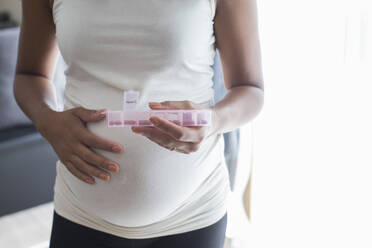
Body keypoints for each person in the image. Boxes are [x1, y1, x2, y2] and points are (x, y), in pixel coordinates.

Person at [13, 0, 264, 247]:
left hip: (193, 213)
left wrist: (214, 121)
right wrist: (47, 120)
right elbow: (30, 75)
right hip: (81, 212)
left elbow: (250, 88)